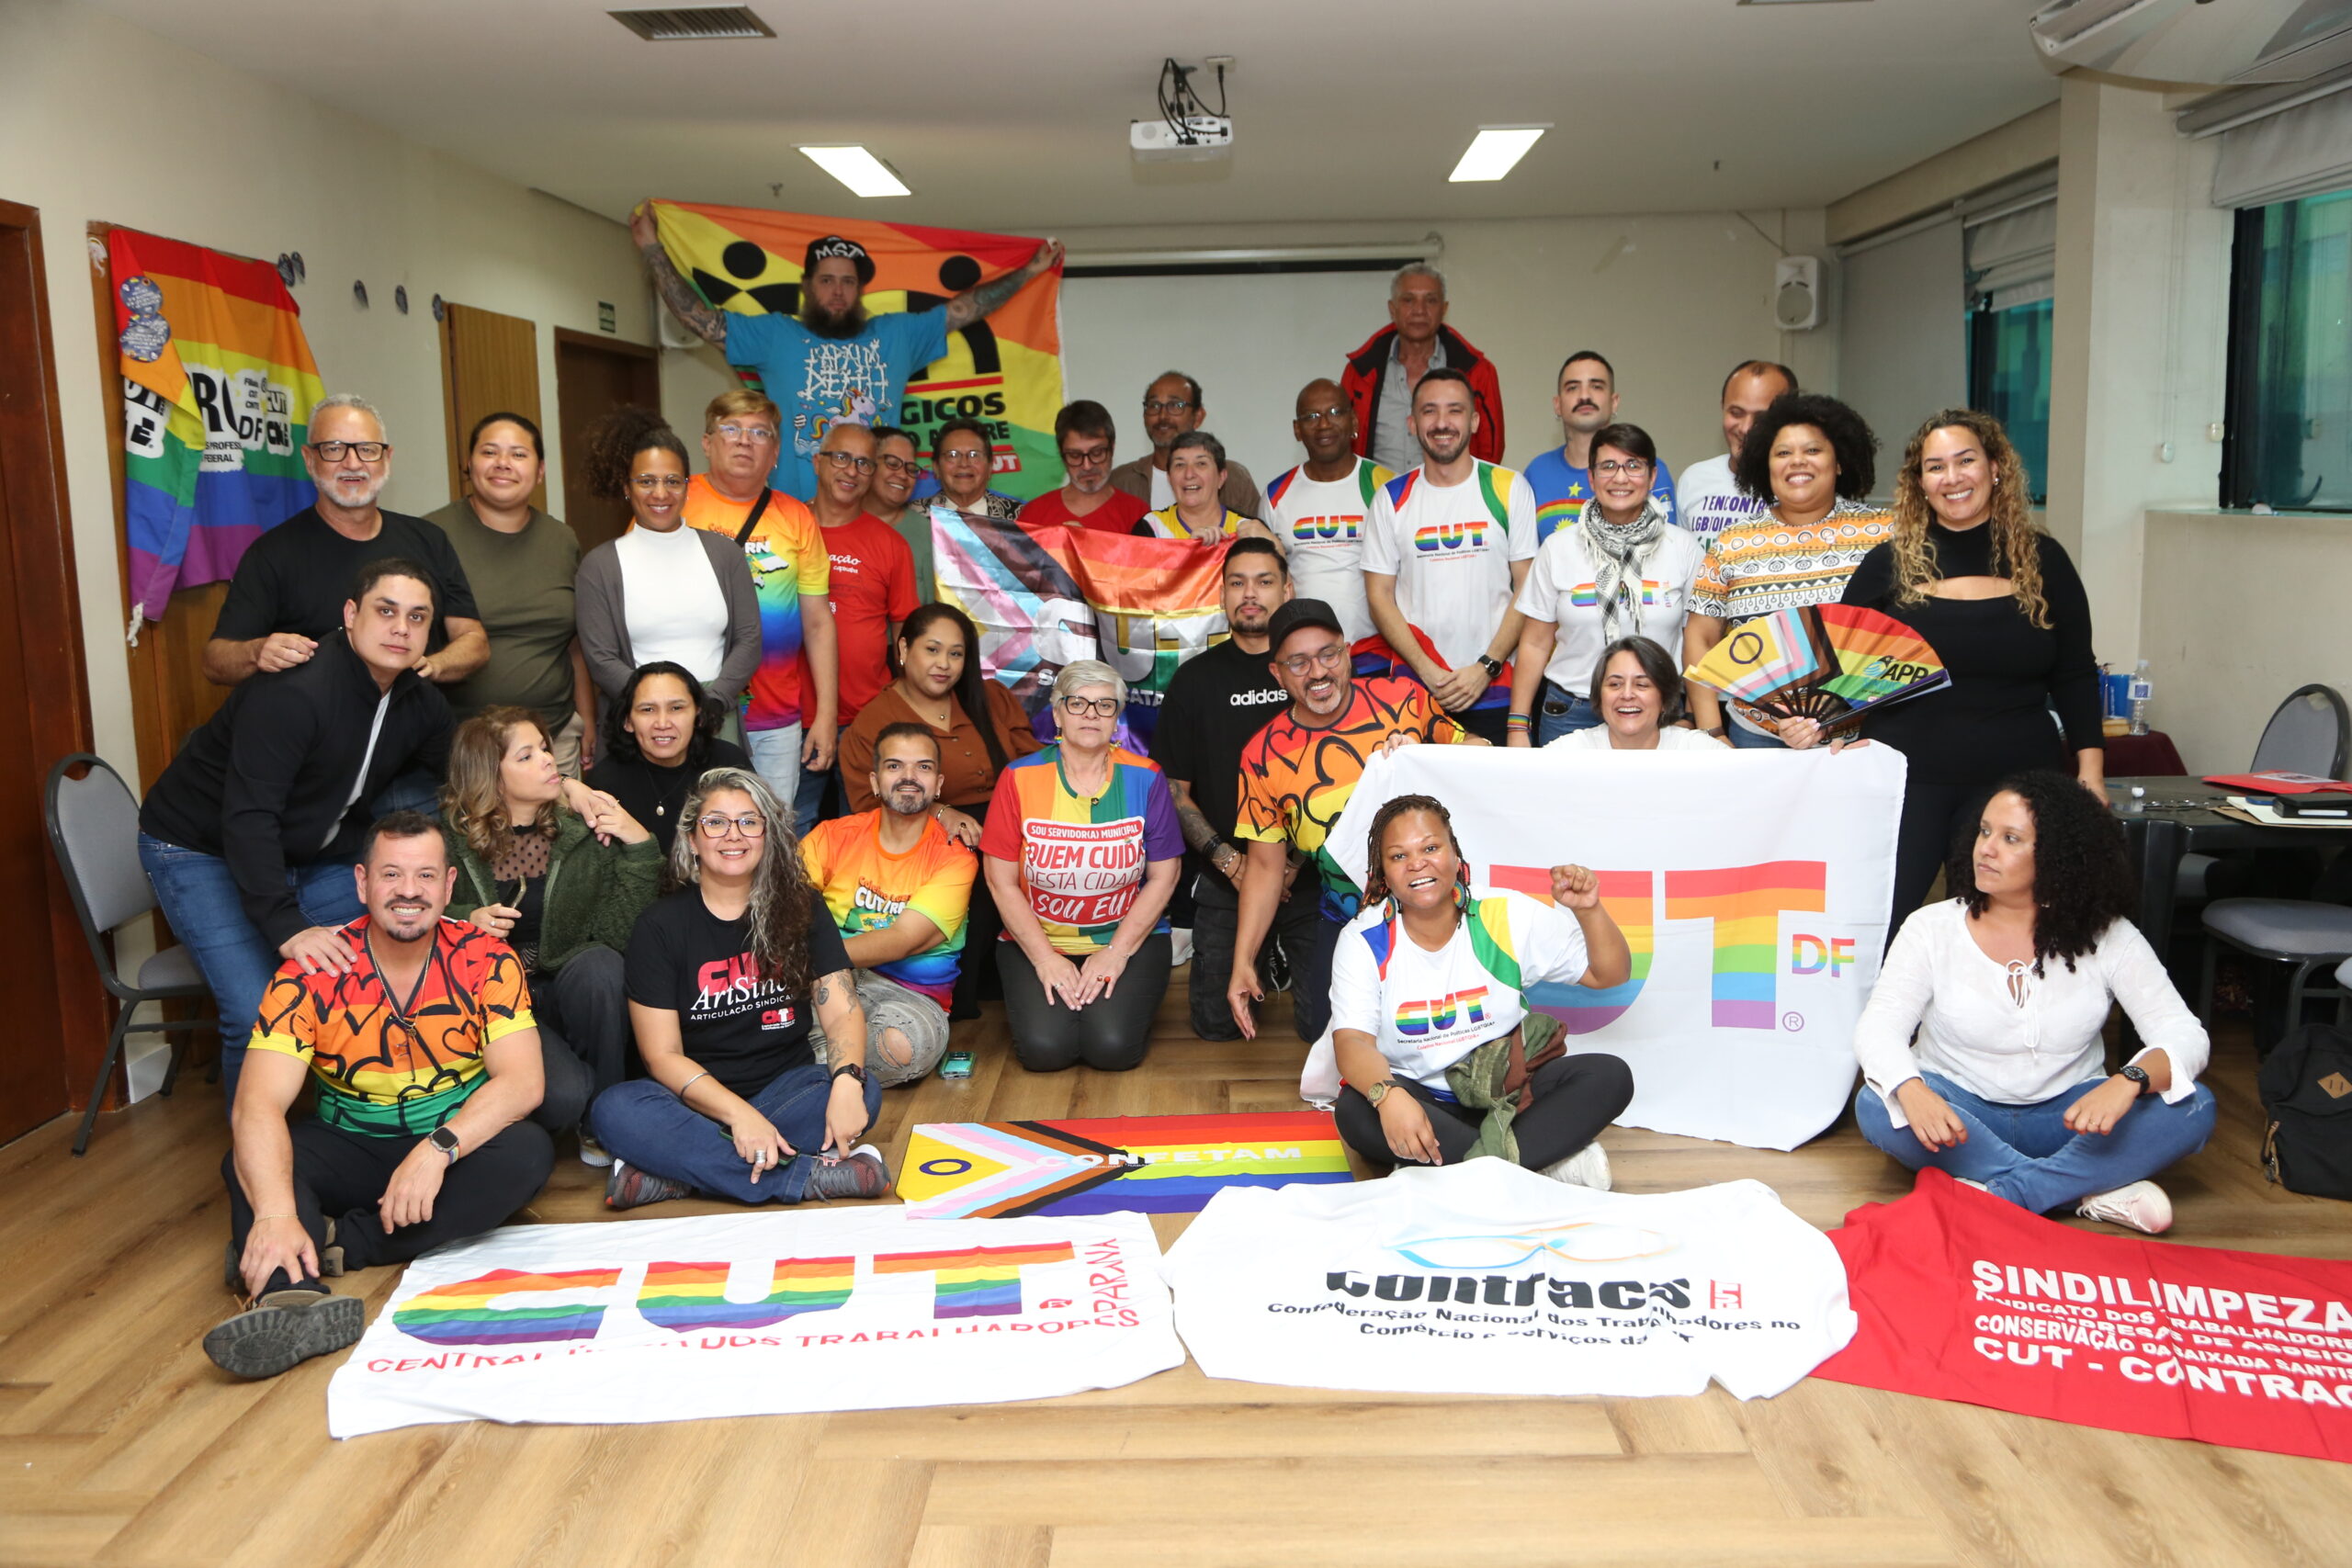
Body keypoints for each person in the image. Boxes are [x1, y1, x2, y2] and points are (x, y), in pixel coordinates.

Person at [203, 811, 552, 1380]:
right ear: (363, 883)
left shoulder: (488, 957)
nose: (409, 891)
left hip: (449, 1145)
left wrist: (436, 1150)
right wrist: (275, 1211)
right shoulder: (310, 970)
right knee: (247, 1158)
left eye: (424, 875)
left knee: (528, 1153)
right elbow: (257, 1105)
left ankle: (337, 1241)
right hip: (350, 1140)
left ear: (448, 885)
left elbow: (523, 1082)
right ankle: (289, 1297)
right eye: (392, 874)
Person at [139, 559, 454, 1106]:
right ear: (350, 614)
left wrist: (563, 787)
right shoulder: (293, 691)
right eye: (386, 611)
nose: (401, 628)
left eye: (417, 617)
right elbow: (249, 819)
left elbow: (471, 770)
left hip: (304, 849)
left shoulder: (418, 701)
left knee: (411, 941)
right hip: (199, 847)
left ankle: (372, 1122)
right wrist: (287, 927)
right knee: (256, 1008)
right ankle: (254, 1155)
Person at [1850, 774, 2215, 1235]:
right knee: (1876, 1103)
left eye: (2011, 839)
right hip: (1959, 1113)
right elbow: (1879, 1027)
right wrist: (1911, 1089)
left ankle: (2003, 1194)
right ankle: (2088, 1190)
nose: (1986, 849)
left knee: (2194, 1105)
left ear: (2059, 855)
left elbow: (2183, 1033)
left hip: (2072, 1116)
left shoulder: (2110, 935)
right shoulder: (1931, 927)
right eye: (1984, 831)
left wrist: (2130, 1080)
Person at [1842, 409, 2105, 929]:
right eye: (1935, 467)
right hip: (1907, 780)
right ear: (1919, 482)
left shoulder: (2045, 560)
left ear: (1995, 468)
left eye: (1965, 461)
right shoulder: (1886, 565)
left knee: (2003, 931)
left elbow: (2075, 672)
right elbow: (1843, 667)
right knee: (1881, 928)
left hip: (2017, 781)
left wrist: (2091, 774)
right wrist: (1827, 726)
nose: (1952, 477)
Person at [592, 767, 892, 1209]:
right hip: (693, 1104)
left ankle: (682, 1173)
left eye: (749, 821)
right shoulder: (659, 926)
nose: (733, 835)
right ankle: (807, 1177)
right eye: (716, 822)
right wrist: (738, 1116)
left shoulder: (802, 906)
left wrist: (847, 1083)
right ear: (692, 839)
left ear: (767, 836)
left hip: (787, 1093)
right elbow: (662, 1056)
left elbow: (842, 1011)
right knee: (615, 1109)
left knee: (863, 1090)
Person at [632, 212, 1062, 501]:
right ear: (807, 286)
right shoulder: (775, 336)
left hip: (877, 512)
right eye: (826, 281)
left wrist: (1028, 271)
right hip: (796, 512)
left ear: (860, 290)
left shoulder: (896, 334)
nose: (837, 292)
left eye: (848, 282)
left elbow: (965, 309)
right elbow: (700, 320)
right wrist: (652, 247)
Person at [1324, 794, 1634, 1186]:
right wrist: (1388, 1096)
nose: (1417, 863)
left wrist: (1588, 910)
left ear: (1455, 854)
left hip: (1507, 1093)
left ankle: (1451, 1166)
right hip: (1423, 1101)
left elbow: (1608, 975)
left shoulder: (1503, 913)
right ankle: (1541, 1162)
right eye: (1399, 856)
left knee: (1609, 1075)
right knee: (1355, 1111)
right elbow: (1352, 1041)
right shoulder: (1364, 940)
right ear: (1383, 872)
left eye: (1431, 848)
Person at [1227, 598, 1487, 1043]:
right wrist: (1243, 961)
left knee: (1452, 1028)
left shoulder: (1403, 700)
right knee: (1324, 1035)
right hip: (1350, 917)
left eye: (1328, 654)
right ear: (1277, 673)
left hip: (1443, 906)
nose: (1318, 672)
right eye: (1299, 662)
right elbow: (1267, 869)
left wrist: (1425, 757)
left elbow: (1481, 755)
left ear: (1347, 653)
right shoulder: (1262, 755)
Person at [439, 706, 660, 1161]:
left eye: (544, 748)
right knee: (562, 1098)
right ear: (490, 775)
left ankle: (606, 1121)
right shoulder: (446, 841)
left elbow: (617, 932)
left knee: (602, 966)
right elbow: (414, 916)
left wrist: (640, 846)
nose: (546, 759)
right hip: (496, 1005)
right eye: (527, 756)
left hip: (566, 989)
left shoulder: (581, 831)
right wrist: (465, 920)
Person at [203, 393, 487, 692]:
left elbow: (473, 640)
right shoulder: (271, 553)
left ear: (387, 459)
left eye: (367, 449)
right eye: (334, 449)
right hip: (314, 716)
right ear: (309, 459)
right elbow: (215, 661)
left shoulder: (429, 539)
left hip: (416, 712)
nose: (352, 463)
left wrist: (432, 666)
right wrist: (257, 652)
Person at [840, 604, 1043, 1016]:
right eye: (932, 650)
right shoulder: (876, 720)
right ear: (903, 649)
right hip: (926, 835)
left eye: (956, 653)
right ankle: (958, 999)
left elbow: (1031, 765)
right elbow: (869, 805)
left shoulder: (990, 698)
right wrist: (939, 811)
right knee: (971, 860)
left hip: (1008, 821)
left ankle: (1032, 980)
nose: (944, 664)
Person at [979, 660, 1183, 1072]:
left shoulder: (1146, 777)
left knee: (1111, 1048)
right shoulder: (1018, 778)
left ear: (1116, 718)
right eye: (1078, 703)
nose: (1091, 714)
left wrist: (1116, 953)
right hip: (1037, 940)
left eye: (1105, 705)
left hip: (1127, 938)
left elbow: (1165, 876)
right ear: (1057, 714)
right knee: (1045, 1051)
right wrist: (1044, 959)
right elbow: (1000, 882)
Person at [1153, 540, 1314, 1041]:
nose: (1250, 594)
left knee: (1322, 1025)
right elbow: (1173, 791)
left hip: (1309, 875)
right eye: (1237, 583)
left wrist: (1292, 864)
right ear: (1222, 594)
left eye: (1264, 581)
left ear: (1287, 590)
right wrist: (1231, 863)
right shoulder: (1193, 679)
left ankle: (1282, 957)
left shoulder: (1312, 672)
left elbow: (1344, 783)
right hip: (1229, 875)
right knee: (1217, 1026)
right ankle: (1261, 958)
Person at [1683, 393, 1891, 749]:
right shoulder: (1733, 543)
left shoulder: (1884, 534)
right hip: (1755, 737)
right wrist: (1712, 734)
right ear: (1765, 466)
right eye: (1782, 453)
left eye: (1813, 450)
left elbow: (1901, 638)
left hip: (1856, 740)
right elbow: (1699, 638)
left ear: (1840, 462)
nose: (1797, 461)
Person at [681, 389, 839, 812]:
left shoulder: (796, 516)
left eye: (759, 432)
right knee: (695, 830)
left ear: (776, 452)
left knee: (771, 834)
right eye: (731, 429)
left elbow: (818, 622)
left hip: (776, 718)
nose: (744, 441)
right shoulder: (674, 502)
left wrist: (825, 716)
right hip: (691, 713)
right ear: (707, 442)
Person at [1362, 367, 1537, 744]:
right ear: (1412, 423)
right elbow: (1379, 596)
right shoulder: (1390, 498)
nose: (1442, 422)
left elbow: (1528, 586)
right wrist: (1427, 671)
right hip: (1416, 691)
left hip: (1494, 687)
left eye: (1455, 410)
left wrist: (1486, 666)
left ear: (1474, 421)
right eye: (1429, 411)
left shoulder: (1509, 487)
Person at [797, 724, 975, 1086]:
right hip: (826, 978)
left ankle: (812, 1065)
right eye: (895, 766)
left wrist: (807, 957)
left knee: (899, 1048)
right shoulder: (831, 836)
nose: (909, 777)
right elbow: (788, 908)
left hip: (909, 994)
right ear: (875, 781)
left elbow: (903, 939)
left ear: (938, 784)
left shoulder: (954, 856)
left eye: (923, 767)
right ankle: (831, 1069)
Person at [1508, 423, 1705, 744]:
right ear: (1591, 478)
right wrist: (1517, 725)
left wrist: (1693, 716)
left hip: (1660, 713)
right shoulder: (1558, 548)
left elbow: (1697, 640)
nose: (1620, 477)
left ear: (1652, 476)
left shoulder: (1683, 547)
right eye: (1608, 466)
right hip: (1572, 711)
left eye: (1633, 466)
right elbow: (1534, 643)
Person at [425, 412, 597, 773]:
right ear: (469, 463)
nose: (503, 463)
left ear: (540, 470)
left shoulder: (561, 539)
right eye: (490, 452)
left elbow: (574, 644)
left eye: (519, 454)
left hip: (553, 737)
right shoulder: (431, 535)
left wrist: (586, 720)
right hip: (464, 745)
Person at [575, 409, 763, 726]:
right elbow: (600, 658)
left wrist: (710, 704)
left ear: (688, 487)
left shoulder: (725, 554)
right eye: (646, 481)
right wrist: (659, 709)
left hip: (714, 715)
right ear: (627, 487)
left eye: (673, 481)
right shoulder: (600, 566)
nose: (660, 493)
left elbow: (749, 639)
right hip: (638, 719)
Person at [795, 421, 919, 830]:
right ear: (818, 462)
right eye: (842, 458)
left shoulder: (890, 544)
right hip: (789, 718)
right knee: (789, 831)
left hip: (866, 718)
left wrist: (907, 708)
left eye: (864, 463)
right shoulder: (785, 528)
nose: (852, 470)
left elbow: (905, 637)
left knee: (867, 832)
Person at [1262, 378, 1394, 645]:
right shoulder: (1276, 495)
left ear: (1354, 422)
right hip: (1303, 654)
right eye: (1311, 416)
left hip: (1376, 650)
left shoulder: (1387, 486)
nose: (1323, 424)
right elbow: (1268, 577)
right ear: (1297, 430)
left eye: (1335, 412)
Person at [1340, 264, 1504, 474]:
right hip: (1376, 493)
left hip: (1453, 493)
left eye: (1431, 300)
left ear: (1444, 309)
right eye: (1408, 300)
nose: (1419, 310)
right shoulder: (1359, 373)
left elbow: (1491, 451)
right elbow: (1343, 443)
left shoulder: (1477, 372)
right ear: (1392, 309)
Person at [585, 662, 755, 856]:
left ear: (698, 715)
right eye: (648, 709)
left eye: (676, 708)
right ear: (628, 721)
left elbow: (758, 838)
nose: (662, 723)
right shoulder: (605, 783)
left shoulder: (729, 763)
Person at [1524, 353, 1676, 542]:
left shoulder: (1646, 470)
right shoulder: (1537, 472)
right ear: (1558, 404)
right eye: (1572, 388)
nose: (1584, 396)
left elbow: (1668, 546)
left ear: (1614, 402)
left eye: (1596, 386)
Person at [1674, 361, 1796, 551]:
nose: (1746, 428)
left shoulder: (1801, 486)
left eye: (1761, 418)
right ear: (1722, 407)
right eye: (1736, 413)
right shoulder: (1694, 478)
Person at [1110, 372, 1263, 518]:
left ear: (1198, 417)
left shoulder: (1234, 478)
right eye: (1154, 405)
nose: (1162, 416)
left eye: (1176, 405)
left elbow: (1258, 535)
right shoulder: (1120, 481)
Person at [1551, 637, 1730, 752]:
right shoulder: (1568, 752)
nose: (1627, 694)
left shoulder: (1699, 751)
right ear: (1599, 696)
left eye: (1642, 685)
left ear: (1665, 699)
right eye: (1615, 684)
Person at [1019, 401, 1151, 534]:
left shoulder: (1137, 513)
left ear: (1112, 448)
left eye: (1097, 453)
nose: (1087, 466)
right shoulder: (1033, 515)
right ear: (1061, 454)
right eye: (1075, 455)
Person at [1136, 432, 1278, 545]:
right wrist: (1188, 550)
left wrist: (1275, 545)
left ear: (1221, 477)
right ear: (1169, 478)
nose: (1189, 474)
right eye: (1180, 465)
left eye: (1201, 464)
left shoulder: (1248, 528)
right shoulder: (1151, 526)